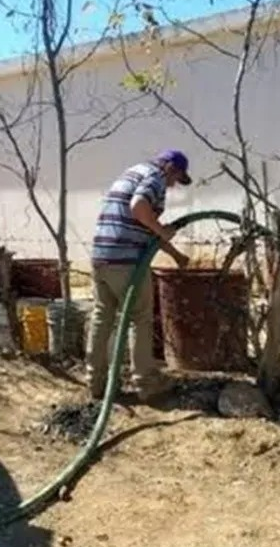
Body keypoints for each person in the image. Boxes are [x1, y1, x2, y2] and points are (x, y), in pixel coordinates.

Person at [86, 149, 191, 402]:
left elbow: (147, 226)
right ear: (169, 167)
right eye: (175, 178)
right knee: (139, 318)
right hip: (126, 262)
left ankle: (96, 383)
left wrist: (175, 254)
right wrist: (161, 230)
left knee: (102, 316)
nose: (172, 184)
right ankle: (146, 383)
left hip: (101, 256)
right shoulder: (155, 177)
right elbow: (139, 208)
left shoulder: (131, 173)